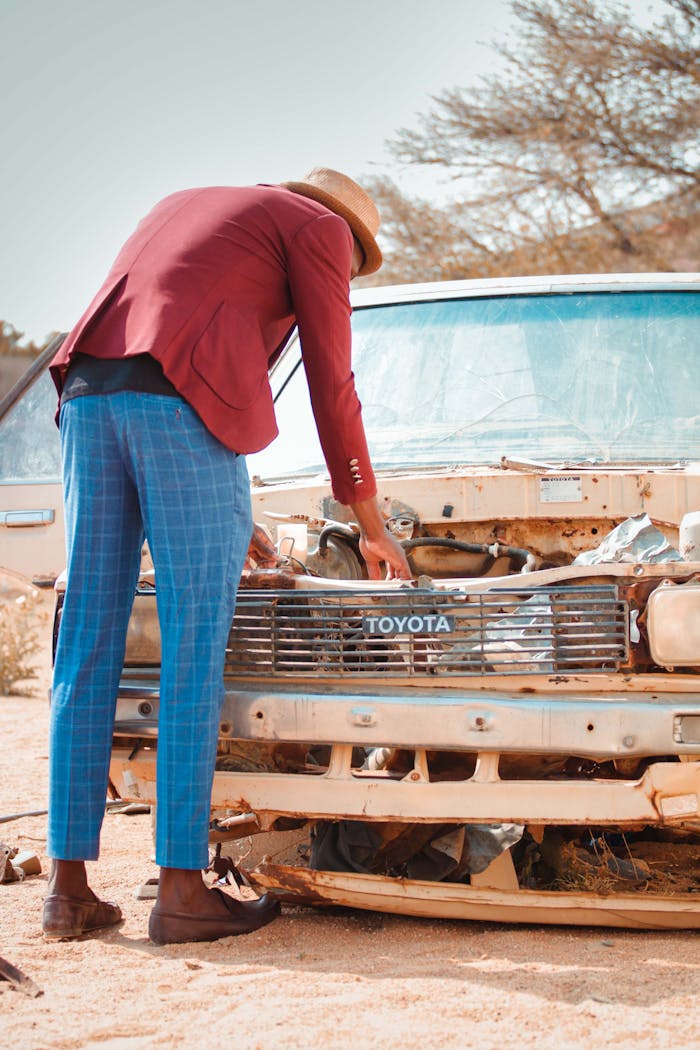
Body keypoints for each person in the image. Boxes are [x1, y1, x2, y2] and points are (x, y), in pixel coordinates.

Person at [44, 168, 411, 945]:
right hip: (176, 409)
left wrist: (225, 503)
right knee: (192, 644)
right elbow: (331, 382)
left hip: (86, 395)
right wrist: (370, 523)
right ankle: (181, 890)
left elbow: (168, 333)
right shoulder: (321, 231)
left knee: (86, 641)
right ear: (347, 236)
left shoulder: (187, 203)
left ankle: (67, 892)